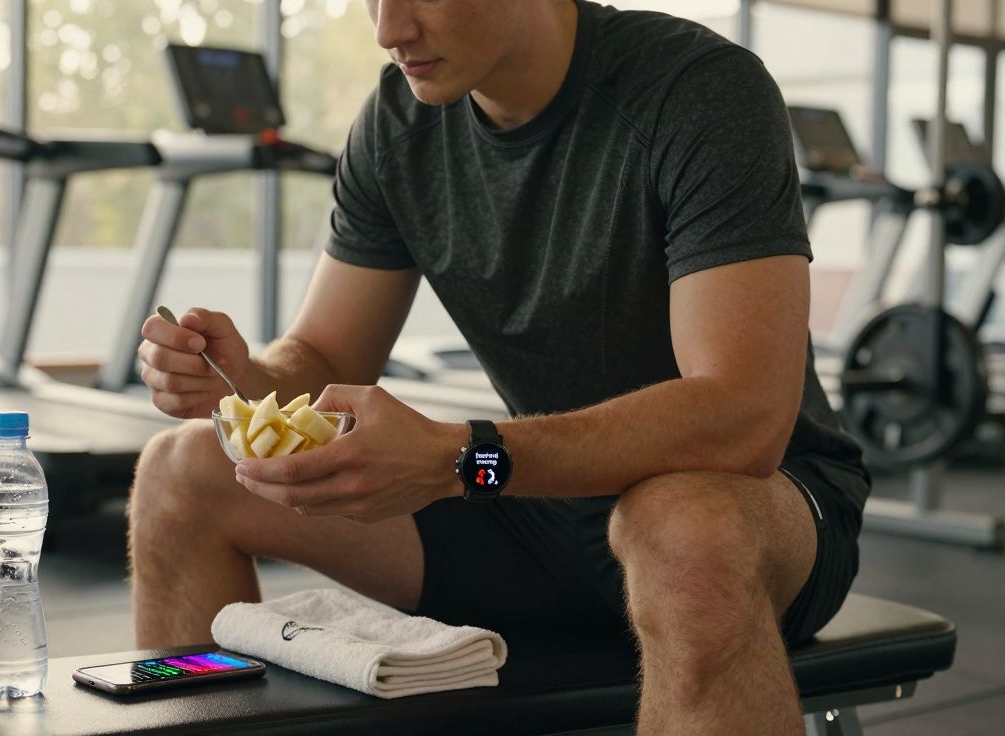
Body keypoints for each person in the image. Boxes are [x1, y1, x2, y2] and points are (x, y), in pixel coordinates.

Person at [129, 1, 868, 733]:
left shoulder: (696, 88)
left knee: (681, 527)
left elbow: (743, 419)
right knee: (182, 474)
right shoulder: (398, 125)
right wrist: (240, 382)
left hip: (754, 509)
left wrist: (461, 457)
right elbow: (323, 358)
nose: (389, 31)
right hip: (534, 503)